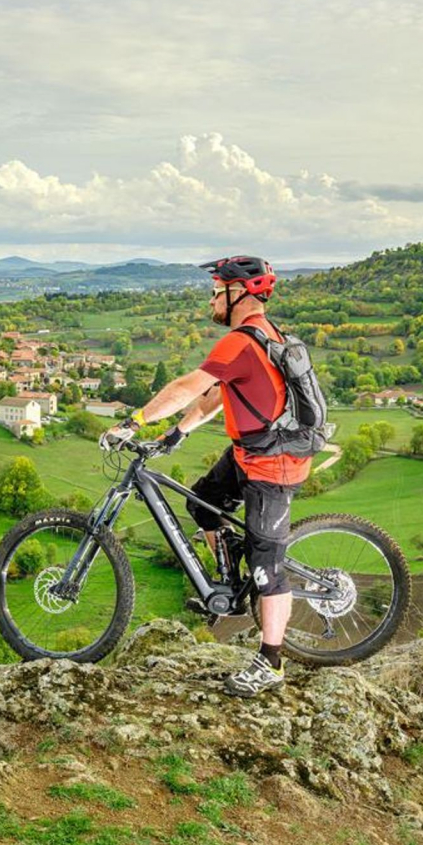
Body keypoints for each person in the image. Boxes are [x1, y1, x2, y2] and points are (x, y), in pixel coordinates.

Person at [99, 255, 309, 697]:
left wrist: (134, 421)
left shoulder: (241, 340)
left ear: (239, 293)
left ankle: (271, 663)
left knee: (267, 566)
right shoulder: (257, 338)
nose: (212, 298)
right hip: (249, 453)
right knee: (202, 503)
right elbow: (216, 396)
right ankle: (229, 577)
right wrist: (177, 432)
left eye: (217, 290)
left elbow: (187, 386)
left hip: (275, 463)